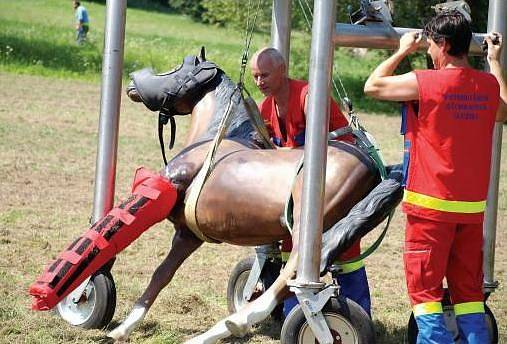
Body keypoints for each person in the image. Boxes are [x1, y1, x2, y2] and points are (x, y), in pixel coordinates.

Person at [364, 11, 506, 343]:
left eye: (430, 45)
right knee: (469, 294)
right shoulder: (487, 85)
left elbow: (372, 86)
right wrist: (495, 62)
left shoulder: (425, 81)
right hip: (470, 213)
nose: (428, 51)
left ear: (442, 44)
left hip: (429, 210)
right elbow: (503, 110)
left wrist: (400, 50)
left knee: (426, 296)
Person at [250, 47, 372, 318]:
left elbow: (329, 148)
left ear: (283, 70)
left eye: (265, 75)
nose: (259, 82)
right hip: (301, 191)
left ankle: (358, 316)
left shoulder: (308, 97)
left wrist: (281, 153)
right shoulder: (266, 106)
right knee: (291, 247)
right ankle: (292, 314)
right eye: (255, 77)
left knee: (345, 249)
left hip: (340, 183)